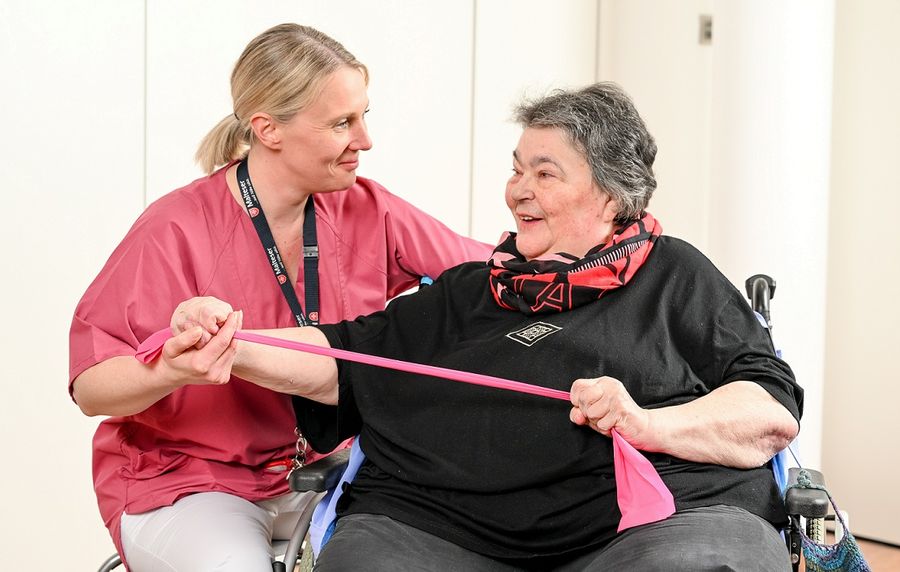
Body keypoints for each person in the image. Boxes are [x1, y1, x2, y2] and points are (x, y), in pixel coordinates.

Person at [166, 82, 803, 571]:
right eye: (517, 169)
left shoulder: (674, 274)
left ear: (611, 197)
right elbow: (342, 358)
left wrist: (648, 424)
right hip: (442, 529)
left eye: (544, 174)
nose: (517, 189)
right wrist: (231, 341)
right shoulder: (468, 290)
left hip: (646, 529)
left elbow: (769, 410)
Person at [68, 23, 493, 571]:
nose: (365, 140)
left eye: (363, 116)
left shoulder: (369, 209)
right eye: (341, 123)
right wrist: (171, 370)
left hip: (331, 473)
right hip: (190, 481)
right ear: (268, 129)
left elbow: (494, 274)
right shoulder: (175, 228)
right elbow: (92, 388)